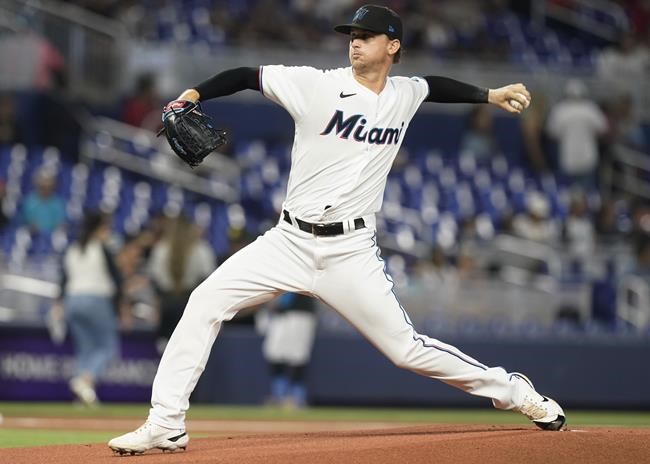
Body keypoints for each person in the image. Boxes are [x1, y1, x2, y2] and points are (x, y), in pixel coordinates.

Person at [108, 5, 565, 455]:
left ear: (393, 46)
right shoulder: (316, 85)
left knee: (406, 350)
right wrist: (193, 94)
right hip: (288, 242)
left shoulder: (404, 93)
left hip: (351, 251)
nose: (355, 42)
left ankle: (512, 389)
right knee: (204, 301)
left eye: (365, 36)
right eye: (352, 35)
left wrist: (490, 94)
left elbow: (434, 87)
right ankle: (165, 424)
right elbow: (247, 74)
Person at [54, 211, 122, 405]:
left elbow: (64, 279)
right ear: (100, 228)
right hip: (97, 299)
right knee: (107, 347)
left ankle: (82, 396)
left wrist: (59, 303)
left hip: (72, 300)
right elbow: (117, 279)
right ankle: (84, 380)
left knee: (85, 349)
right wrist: (121, 305)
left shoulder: (73, 248)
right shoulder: (102, 247)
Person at [148, 215, 216, 354]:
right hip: (189, 301)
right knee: (189, 348)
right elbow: (208, 278)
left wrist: (158, 301)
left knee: (165, 348)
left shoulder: (161, 248)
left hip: (167, 302)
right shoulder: (201, 249)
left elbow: (154, 279)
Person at [545, 79, 607, 192]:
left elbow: (552, 133)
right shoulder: (590, 108)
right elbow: (603, 129)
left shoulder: (560, 109)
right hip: (588, 157)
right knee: (588, 195)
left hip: (568, 158)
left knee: (569, 193)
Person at [261, 292, 318, 408]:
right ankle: (279, 395)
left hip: (300, 314)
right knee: (274, 353)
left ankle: (297, 397)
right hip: (280, 315)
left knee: (298, 356)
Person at [21, 169, 66, 235]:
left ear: (53, 186)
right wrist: (30, 226)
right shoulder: (29, 201)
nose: (46, 188)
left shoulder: (58, 203)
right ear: (37, 184)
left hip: (53, 237)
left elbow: (61, 223)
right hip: (32, 236)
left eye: (48, 186)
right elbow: (23, 221)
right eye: (42, 186)